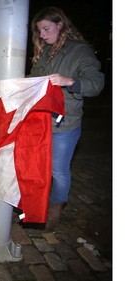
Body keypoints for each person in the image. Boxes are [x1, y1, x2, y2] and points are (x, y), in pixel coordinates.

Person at [28, 7, 104, 231]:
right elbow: (35, 78)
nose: (42, 35)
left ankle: (54, 210)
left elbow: (97, 83)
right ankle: (35, 206)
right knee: (38, 167)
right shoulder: (45, 52)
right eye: (39, 31)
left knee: (58, 171)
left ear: (60, 24)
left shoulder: (80, 51)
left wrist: (70, 81)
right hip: (41, 121)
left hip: (65, 124)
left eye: (46, 29)